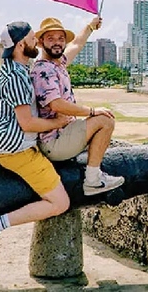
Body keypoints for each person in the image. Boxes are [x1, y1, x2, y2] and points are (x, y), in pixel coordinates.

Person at [0, 21, 71, 258]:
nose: (36, 43)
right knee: (60, 203)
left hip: (10, 147)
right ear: (21, 44)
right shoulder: (18, 78)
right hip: (18, 153)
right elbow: (27, 123)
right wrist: (58, 123)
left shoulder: (10, 68)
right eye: (32, 39)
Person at [31, 16, 124, 196]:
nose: (57, 43)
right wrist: (91, 111)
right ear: (41, 43)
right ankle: (93, 179)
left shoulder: (58, 64)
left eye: (60, 39)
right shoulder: (43, 69)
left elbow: (77, 44)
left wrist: (90, 26)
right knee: (105, 120)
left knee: (101, 119)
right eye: (51, 39)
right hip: (55, 141)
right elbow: (56, 104)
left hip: (63, 134)